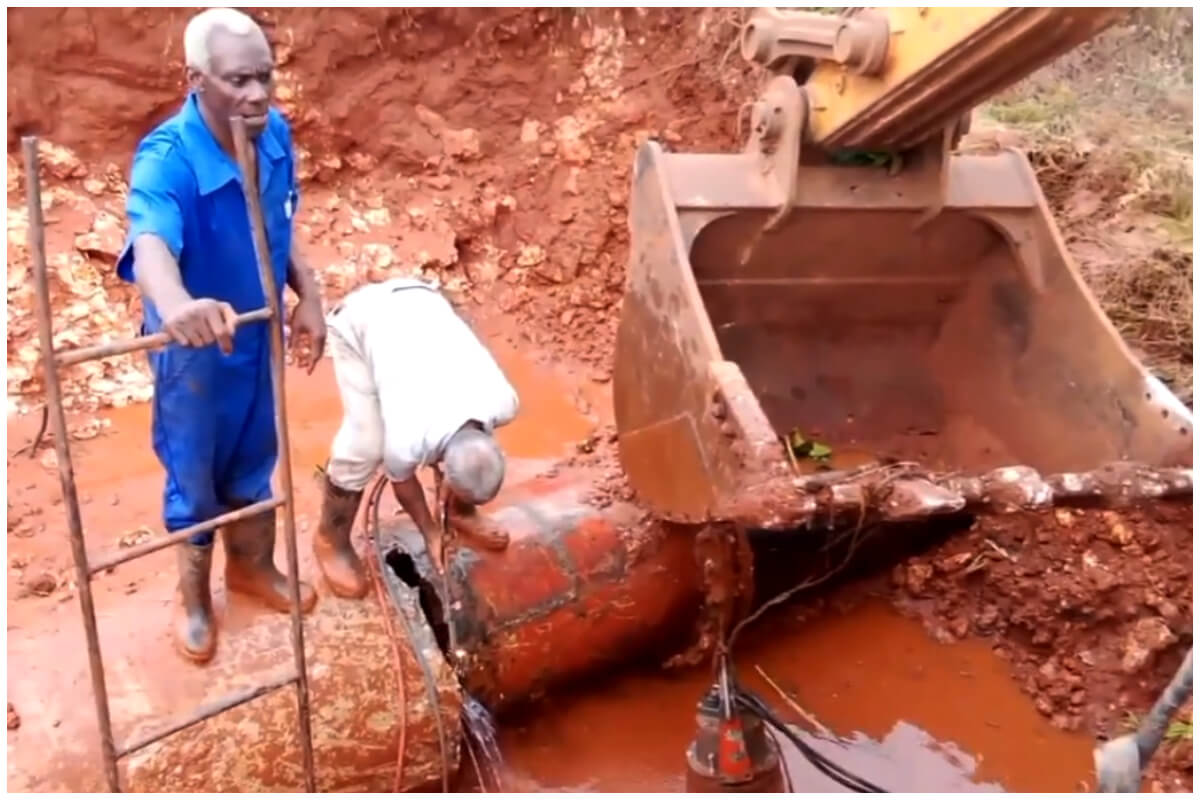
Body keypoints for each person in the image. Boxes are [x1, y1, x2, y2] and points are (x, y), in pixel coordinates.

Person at [116, 8, 327, 664]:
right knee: (195, 467)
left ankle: (252, 567)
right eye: (239, 79)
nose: (258, 93)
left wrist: (309, 296)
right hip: (196, 348)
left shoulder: (272, 134)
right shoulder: (168, 158)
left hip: (256, 330)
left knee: (255, 451)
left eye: (266, 75)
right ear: (196, 80)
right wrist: (177, 304)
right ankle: (195, 597)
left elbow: (279, 225)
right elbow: (149, 241)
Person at [314, 277, 519, 598]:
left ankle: (460, 513)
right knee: (365, 444)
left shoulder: (503, 402)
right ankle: (330, 539)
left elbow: (473, 446)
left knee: (468, 461)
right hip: (362, 320)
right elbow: (403, 483)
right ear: (444, 476)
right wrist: (430, 531)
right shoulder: (406, 438)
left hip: (421, 303)